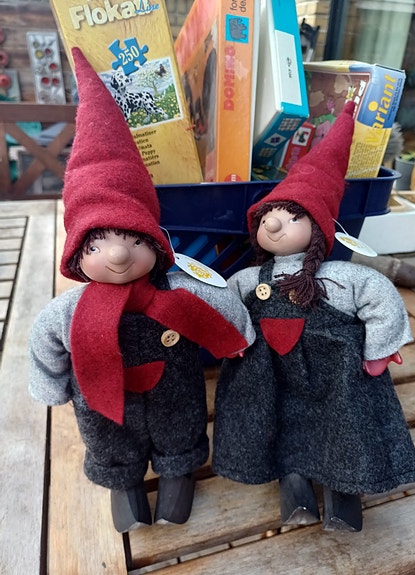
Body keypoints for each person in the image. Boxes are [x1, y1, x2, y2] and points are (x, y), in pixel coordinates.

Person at [28, 47, 255, 533]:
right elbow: (44, 339)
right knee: (109, 434)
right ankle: (124, 483)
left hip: (176, 389)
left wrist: (238, 338)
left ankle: (178, 474)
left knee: (181, 424)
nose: (117, 255)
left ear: (155, 242)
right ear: (76, 254)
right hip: (103, 400)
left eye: (133, 240)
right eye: (97, 244)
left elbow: (219, 302)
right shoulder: (70, 310)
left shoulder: (179, 287)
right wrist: (50, 383)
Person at [212, 101, 415, 532]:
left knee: (343, 429)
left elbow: (380, 296)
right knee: (279, 427)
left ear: (319, 229)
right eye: (268, 218)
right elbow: (226, 305)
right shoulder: (250, 278)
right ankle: (294, 489)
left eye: (292, 217)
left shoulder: (340, 277)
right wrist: (234, 339)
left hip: (335, 376)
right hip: (269, 374)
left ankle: (345, 495)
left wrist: (379, 349)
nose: (274, 226)